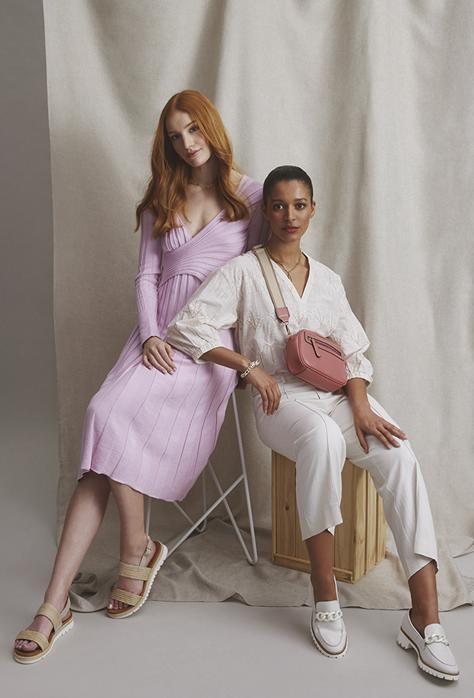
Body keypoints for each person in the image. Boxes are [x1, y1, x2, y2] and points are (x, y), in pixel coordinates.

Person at [166, 165, 460, 681]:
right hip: (279, 403)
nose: (290, 215)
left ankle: (425, 619)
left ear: (313, 209)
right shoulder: (243, 271)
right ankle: (325, 594)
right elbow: (187, 327)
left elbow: (354, 354)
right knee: (322, 438)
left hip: (339, 396)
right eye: (279, 205)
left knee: (398, 454)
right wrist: (248, 368)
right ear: (266, 211)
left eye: (299, 205)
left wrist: (361, 405)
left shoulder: (327, 280)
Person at [13, 90, 268, 664]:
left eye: (194, 130)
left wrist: (246, 362)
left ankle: (113, 565)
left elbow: (255, 287)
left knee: (106, 428)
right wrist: (151, 334)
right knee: (103, 417)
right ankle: (64, 596)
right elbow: (147, 276)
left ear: (211, 127)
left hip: (208, 350)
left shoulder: (249, 197)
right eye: (176, 136)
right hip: (154, 340)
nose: (187, 143)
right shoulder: (164, 195)